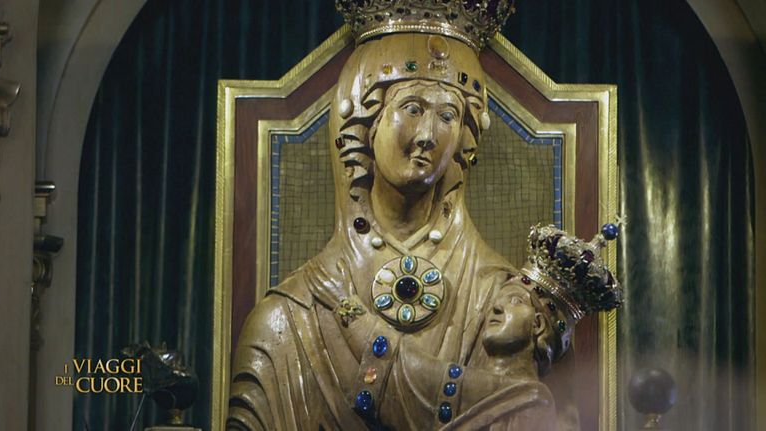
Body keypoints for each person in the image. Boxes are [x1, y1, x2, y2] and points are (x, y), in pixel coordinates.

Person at [227, 2, 621, 430]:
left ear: (465, 137)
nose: (427, 136)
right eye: (412, 108)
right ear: (365, 122)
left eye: (447, 116)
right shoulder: (291, 319)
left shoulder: (503, 305)